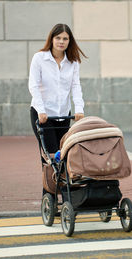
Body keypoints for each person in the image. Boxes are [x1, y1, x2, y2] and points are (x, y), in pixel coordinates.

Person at [29, 23, 86, 161]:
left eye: (65, 39)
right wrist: (41, 111)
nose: (61, 42)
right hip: (43, 114)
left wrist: (79, 109)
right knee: (52, 155)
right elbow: (33, 86)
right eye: (58, 38)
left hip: (63, 114)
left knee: (64, 152)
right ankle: (49, 182)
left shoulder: (73, 62)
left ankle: (62, 182)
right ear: (52, 39)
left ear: (69, 41)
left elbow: (75, 86)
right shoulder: (39, 58)